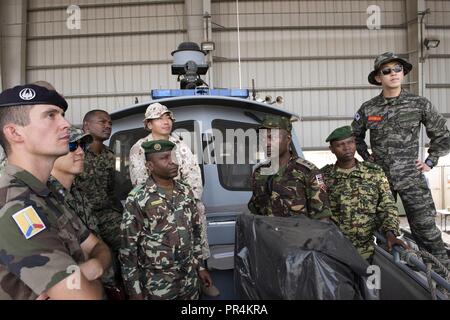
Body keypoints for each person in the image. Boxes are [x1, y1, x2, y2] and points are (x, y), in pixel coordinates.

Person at [0, 84, 111, 299]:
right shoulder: (12, 202)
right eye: (50, 115)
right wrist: (86, 277)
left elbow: (98, 247)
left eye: (62, 114)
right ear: (14, 132)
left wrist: (92, 266)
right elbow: (84, 297)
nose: (66, 124)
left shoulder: (46, 193)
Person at [352, 52, 450, 267]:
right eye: (386, 71)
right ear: (378, 77)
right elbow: (355, 136)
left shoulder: (419, 104)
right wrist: (367, 158)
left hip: (411, 178)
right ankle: (385, 273)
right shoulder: (369, 108)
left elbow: (442, 134)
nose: (393, 74)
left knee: (426, 231)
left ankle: (442, 275)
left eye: (397, 69)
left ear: (403, 73)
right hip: (381, 180)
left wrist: (430, 161)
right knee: (377, 227)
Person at [128, 102, 218, 296]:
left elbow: (193, 177)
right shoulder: (139, 149)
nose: (166, 121)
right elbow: (140, 183)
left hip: (180, 197)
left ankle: (197, 269)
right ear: (149, 124)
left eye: (168, 117)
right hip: (155, 202)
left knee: (196, 211)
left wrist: (185, 200)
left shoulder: (180, 145)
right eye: (160, 118)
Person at [120, 140, 212, 300]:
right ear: (150, 166)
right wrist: (133, 291)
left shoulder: (185, 190)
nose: (173, 162)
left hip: (189, 279)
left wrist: (200, 267)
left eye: (173, 157)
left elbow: (196, 232)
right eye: (165, 158)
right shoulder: (138, 198)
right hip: (157, 283)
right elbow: (128, 249)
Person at [321, 126, 408, 261]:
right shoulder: (323, 176)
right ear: (332, 149)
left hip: (366, 251)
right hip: (334, 250)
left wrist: (390, 233)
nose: (347, 148)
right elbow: (317, 211)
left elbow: (388, 205)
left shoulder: (374, 173)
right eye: (340, 145)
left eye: (350, 142)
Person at [248, 115, 332, 219]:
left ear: (288, 139)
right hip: (268, 234)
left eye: (272, 138)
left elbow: (322, 218)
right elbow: (256, 213)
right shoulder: (259, 172)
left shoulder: (308, 172)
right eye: (263, 138)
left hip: (298, 234)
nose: (267, 143)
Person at [74, 109, 123, 252]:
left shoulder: (110, 155)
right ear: (86, 126)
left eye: (110, 123)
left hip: (106, 214)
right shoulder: (75, 153)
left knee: (129, 242)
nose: (108, 126)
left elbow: (110, 189)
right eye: (102, 122)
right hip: (81, 217)